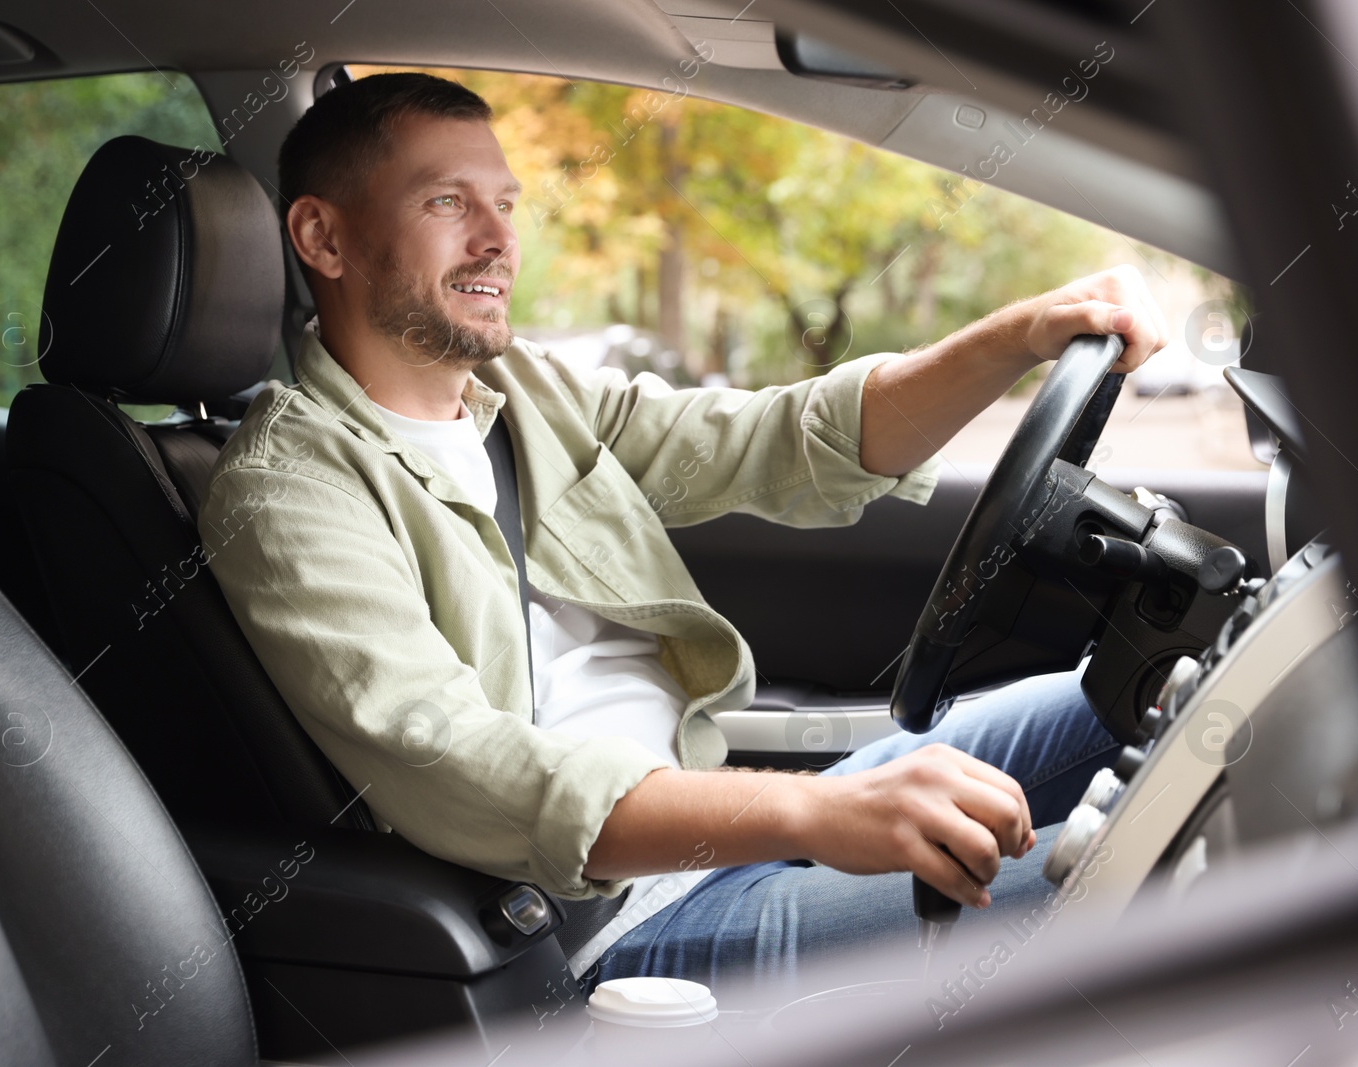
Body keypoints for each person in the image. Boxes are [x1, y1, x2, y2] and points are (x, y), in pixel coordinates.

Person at [200, 72, 1170, 997]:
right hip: (600, 927)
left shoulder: (523, 392)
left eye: (506, 202)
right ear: (322, 237)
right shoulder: (288, 489)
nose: (499, 239)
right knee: (1150, 873)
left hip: (716, 825)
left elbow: (783, 441)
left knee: (1136, 698)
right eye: (448, 203)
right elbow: (466, 767)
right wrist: (816, 812)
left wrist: (1015, 336)